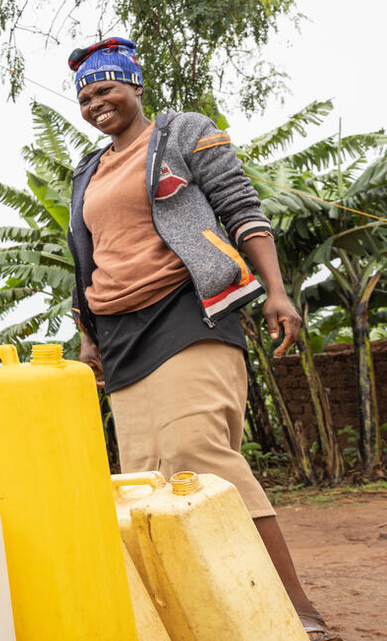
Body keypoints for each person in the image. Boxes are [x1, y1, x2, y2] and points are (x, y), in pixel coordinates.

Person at [66, 38, 339, 641]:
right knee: (146, 480)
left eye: (107, 89)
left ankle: (296, 610)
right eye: (85, 97)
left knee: (198, 459)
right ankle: (198, 617)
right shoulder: (87, 170)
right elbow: (86, 258)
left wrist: (276, 290)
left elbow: (241, 208)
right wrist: (88, 334)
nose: (96, 103)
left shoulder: (181, 132)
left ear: (135, 86)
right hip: (118, 332)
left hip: (190, 309)